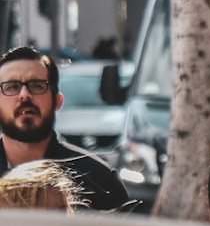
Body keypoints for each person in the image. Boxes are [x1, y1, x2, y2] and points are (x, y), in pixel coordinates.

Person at [0, 45, 129, 210]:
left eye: (37, 85)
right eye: (12, 86)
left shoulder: (100, 181)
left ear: (57, 101)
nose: (24, 94)